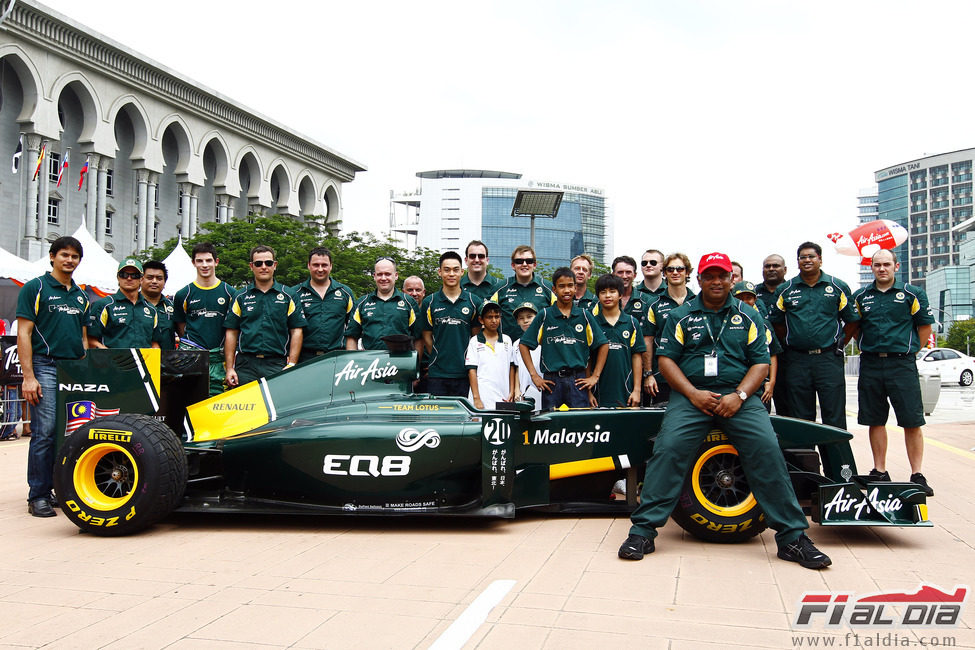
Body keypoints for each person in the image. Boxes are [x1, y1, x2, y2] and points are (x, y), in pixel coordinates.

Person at [618, 252, 831, 570]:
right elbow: (666, 361)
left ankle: (792, 538)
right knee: (668, 447)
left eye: (722, 276)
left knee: (767, 448)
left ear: (732, 279)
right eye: (709, 276)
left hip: (740, 396)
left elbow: (761, 362)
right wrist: (692, 394)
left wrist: (741, 395)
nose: (716, 281)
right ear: (699, 279)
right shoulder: (682, 316)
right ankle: (643, 531)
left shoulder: (748, 315)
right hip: (690, 397)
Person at [850, 250, 935, 495]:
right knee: (874, 419)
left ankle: (917, 474)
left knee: (912, 420)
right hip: (871, 364)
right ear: (871, 268)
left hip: (902, 365)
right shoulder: (861, 296)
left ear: (896, 266)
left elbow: (924, 327)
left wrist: (910, 352)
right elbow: (855, 329)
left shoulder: (912, 294)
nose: (882, 269)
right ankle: (879, 471)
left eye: (886, 264)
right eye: (877, 265)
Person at [17, 236, 90, 517]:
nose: (69, 260)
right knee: (44, 433)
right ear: (52, 257)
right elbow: (23, 332)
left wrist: (86, 370)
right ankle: (38, 494)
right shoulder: (35, 287)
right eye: (64, 255)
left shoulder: (82, 295)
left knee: (69, 432)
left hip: (73, 369)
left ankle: (58, 488)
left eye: (74, 256)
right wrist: (28, 377)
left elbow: (83, 340)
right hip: (44, 366)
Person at [770, 242, 859, 429]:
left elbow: (852, 321)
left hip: (828, 359)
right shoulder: (785, 290)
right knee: (801, 417)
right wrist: (790, 340)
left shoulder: (837, 286)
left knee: (834, 415)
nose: (807, 260)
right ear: (798, 262)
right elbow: (777, 322)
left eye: (811, 256)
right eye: (803, 257)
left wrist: (840, 344)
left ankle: (836, 459)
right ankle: (806, 458)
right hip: (797, 360)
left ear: (820, 259)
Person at [519, 267, 608, 410]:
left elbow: (603, 344)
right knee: (552, 426)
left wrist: (595, 376)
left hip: (578, 380)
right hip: (552, 382)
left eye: (570, 286)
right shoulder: (545, 315)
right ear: (554, 289)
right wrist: (534, 375)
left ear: (575, 287)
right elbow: (523, 345)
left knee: (578, 426)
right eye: (562, 286)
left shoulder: (584, 315)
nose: (566, 290)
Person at [224, 246, 306, 387]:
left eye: (268, 263)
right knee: (246, 407)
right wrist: (230, 368)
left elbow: (297, 330)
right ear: (251, 266)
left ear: (275, 265)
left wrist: (292, 363)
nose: (263, 267)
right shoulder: (240, 296)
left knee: (277, 407)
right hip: (245, 365)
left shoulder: (289, 295)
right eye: (258, 263)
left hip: (277, 364)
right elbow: (231, 332)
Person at [173, 242, 237, 396]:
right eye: (200, 261)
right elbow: (181, 327)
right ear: (193, 263)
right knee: (190, 401)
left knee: (218, 401)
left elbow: (233, 330)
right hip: (192, 357)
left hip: (219, 358)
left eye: (208, 260)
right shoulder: (184, 294)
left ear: (216, 262)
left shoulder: (230, 293)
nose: (204, 265)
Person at [422, 251, 482, 397]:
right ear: (440, 272)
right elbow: (427, 336)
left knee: (464, 417)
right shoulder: (429, 302)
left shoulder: (474, 301)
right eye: (447, 270)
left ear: (462, 272)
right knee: (439, 418)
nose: (451, 274)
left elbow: (476, 337)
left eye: (455, 270)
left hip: (465, 372)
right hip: (437, 373)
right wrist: (439, 355)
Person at [642, 253, 695, 405]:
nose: (675, 272)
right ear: (664, 273)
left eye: (680, 269)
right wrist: (648, 374)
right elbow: (648, 341)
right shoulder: (654, 304)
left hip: (692, 375)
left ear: (687, 272)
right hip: (662, 376)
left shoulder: (699, 301)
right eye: (670, 269)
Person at [291, 247, 355, 363]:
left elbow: (353, 330)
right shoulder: (294, 293)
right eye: (316, 265)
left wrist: (350, 359)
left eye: (324, 265)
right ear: (308, 265)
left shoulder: (345, 292)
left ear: (331, 266)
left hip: (336, 358)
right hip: (304, 359)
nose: (320, 269)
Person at [345, 257, 422, 351]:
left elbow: (418, 338)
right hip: (370, 362)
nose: (383, 278)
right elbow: (352, 337)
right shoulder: (361, 303)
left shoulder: (409, 303)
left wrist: (415, 364)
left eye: (388, 274)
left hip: (402, 362)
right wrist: (353, 362)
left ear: (396, 275)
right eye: (380, 274)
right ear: (374, 276)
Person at [591, 274, 645, 408]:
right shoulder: (591, 323)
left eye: (612, 291)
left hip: (625, 392)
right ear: (598, 296)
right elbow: (587, 359)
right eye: (603, 292)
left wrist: (637, 390)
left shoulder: (632, 323)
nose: (608, 296)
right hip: (598, 393)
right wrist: (588, 393)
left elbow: (637, 357)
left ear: (620, 294)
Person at [87, 258, 163, 349]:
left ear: (141, 279)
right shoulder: (104, 305)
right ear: (118, 277)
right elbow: (90, 339)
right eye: (124, 275)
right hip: (112, 361)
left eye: (134, 275)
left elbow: (154, 342)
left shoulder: (151, 309)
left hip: (143, 362)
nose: (129, 278)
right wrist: (109, 356)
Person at [733, 280, 780, 412]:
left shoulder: (763, 323)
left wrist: (771, 382)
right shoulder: (726, 321)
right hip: (735, 382)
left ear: (755, 299)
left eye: (749, 298)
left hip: (760, 385)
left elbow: (773, 354)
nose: (745, 301)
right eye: (740, 298)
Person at [490, 245, 555, 336]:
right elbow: (487, 318)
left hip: (540, 347)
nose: (524, 264)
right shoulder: (500, 288)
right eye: (519, 261)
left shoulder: (548, 288)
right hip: (508, 347)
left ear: (534, 265)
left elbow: (560, 316)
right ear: (513, 265)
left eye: (529, 261)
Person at [756, 254, 790, 416]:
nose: (771, 269)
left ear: (785, 269)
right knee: (762, 408)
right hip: (762, 359)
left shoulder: (792, 290)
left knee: (789, 408)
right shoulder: (753, 294)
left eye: (775, 266)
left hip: (790, 357)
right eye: (767, 266)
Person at [465, 301, 516, 409]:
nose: (494, 320)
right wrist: (476, 398)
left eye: (497, 317)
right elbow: (472, 370)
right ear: (481, 320)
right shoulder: (475, 341)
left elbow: (511, 367)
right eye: (489, 317)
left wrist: (512, 391)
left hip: (504, 397)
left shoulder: (507, 340)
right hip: (483, 396)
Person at [512, 301, 542, 412]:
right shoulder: (516, 344)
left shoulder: (544, 340)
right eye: (521, 318)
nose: (526, 321)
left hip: (541, 389)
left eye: (530, 317)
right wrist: (517, 389)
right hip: (523, 391)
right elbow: (517, 367)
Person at [141, 260, 177, 350]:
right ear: (141, 280)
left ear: (165, 282)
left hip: (167, 361)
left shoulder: (173, 307)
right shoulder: (132, 305)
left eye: (159, 278)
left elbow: (182, 334)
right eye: (149, 277)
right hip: (139, 361)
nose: (154, 281)